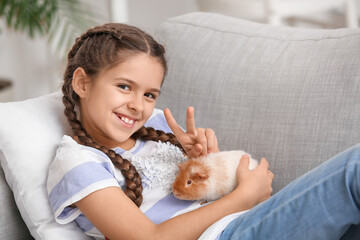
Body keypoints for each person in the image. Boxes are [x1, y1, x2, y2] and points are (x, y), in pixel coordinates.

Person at [47, 23, 360, 240]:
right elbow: (145, 237)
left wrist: (207, 164)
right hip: (229, 231)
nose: (137, 105)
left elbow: (200, 193)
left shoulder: (154, 127)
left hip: (245, 222)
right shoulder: (78, 162)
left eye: (149, 94)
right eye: (124, 86)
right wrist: (242, 198)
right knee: (355, 170)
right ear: (83, 82)